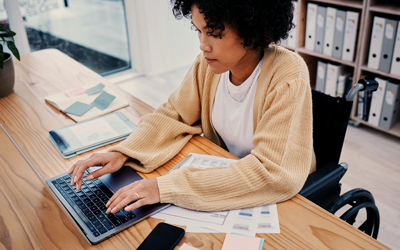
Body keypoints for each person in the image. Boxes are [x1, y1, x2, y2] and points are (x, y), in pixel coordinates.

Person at [69, 0, 316, 214]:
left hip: (275, 198)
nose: (203, 45)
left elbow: (272, 172)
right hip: (226, 180)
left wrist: (164, 187)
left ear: (250, 28)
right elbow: (173, 113)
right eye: (198, 31)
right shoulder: (207, 66)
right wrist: (124, 152)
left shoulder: (287, 74)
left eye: (214, 33)